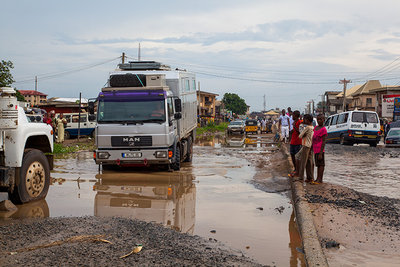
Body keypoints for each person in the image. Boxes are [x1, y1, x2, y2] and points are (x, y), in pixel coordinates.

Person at [293, 114, 314, 182]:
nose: (303, 121)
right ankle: (310, 177)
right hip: (310, 145)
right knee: (309, 162)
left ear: (307, 120)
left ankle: (301, 177)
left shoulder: (307, 128)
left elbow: (300, 135)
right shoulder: (312, 127)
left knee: (303, 162)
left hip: (305, 145)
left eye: (304, 119)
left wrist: (302, 128)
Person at [312, 114, 327, 184]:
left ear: (323, 120)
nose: (319, 121)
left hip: (320, 150)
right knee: (317, 164)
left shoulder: (324, 129)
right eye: (318, 119)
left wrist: (321, 153)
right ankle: (317, 178)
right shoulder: (315, 128)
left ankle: (320, 179)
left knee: (321, 165)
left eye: (320, 119)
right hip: (315, 149)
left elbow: (324, 141)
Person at [289, 110, 302, 176]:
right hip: (293, 142)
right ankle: (295, 169)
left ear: (296, 116)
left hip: (298, 142)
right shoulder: (294, 122)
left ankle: (298, 170)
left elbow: (300, 132)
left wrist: (294, 127)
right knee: (292, 155)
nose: (292, 117)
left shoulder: (299, 122)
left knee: (297, 157)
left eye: (293, 115)